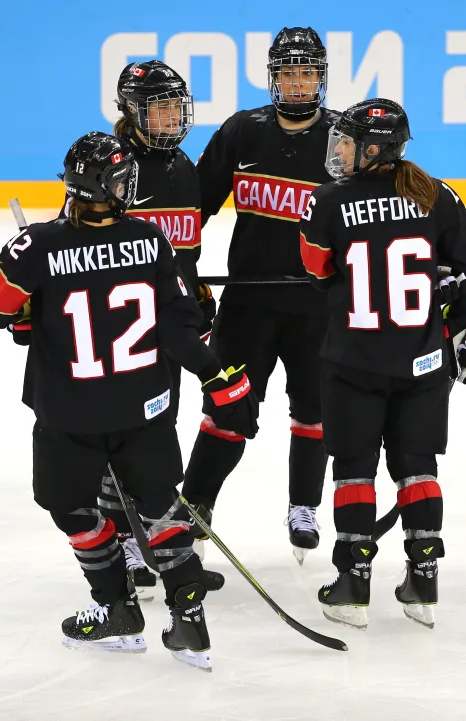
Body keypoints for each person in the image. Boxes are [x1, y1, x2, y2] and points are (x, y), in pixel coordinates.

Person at [0, 131, 259, 670]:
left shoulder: (35, 246)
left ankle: (116, 607)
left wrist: (24, 314)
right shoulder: (150, 238)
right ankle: (189, 621)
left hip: (71, 413)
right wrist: (221, 380)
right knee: (160, 506)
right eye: (124, 180)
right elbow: (179, 327)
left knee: (71, 507)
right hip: (144, 407)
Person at [10, 60, 219, 600]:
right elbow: (76, 250)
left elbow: (183, 251)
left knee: (149, 440)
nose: (172, 117)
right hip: (120, 334)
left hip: (165, 324)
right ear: (131, 110)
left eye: (176, 106)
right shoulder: (113, 167)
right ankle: (128, 544)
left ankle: (148, 544)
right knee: (117, 439)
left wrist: (192, 292)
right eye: (159, 107)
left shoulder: (182, 168)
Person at [298, 98, 466, 630]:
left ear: (374, 148)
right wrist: (459, 323)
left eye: (347, 141)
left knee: (354, 470)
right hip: (424, 361)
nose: (338, 149)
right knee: (417, 466)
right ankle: (423, 583)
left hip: (353, 361)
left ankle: (352, 587)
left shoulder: (330, 201)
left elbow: (316, 268)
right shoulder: (437, 195)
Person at [184, 26, 338, 565]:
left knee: (315, 410)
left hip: (320, 306)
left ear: (322, 76)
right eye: (288, 73)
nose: (298, 84)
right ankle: (195, 508)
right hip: (248, 303)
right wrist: (169, 269)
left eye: (308, 73)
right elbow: (193, 209)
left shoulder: (344, 137)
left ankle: (304, 506)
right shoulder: (241, 132)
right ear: (273, 77)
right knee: (227, 408)